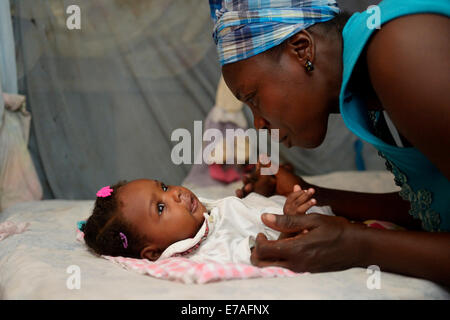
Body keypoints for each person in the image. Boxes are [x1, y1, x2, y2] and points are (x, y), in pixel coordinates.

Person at [209, 0, 450, 285]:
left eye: (252, 98)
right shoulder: (369, 85)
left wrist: (360, 245)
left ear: (301, 49)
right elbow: (434, 208)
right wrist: (315, 197)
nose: (259, 124)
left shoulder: (400, 50)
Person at [81, 179, 329, 264]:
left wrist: (259, 193)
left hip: (286, 204)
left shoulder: (193, 218)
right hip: (311, 226)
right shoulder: (210, 250)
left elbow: (232, 211)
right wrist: (290, 222)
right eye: (160, 207)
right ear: (154, 252)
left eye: (164, 186)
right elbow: (265, 256)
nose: (175, 193)